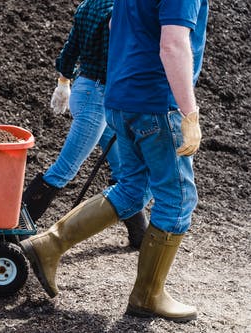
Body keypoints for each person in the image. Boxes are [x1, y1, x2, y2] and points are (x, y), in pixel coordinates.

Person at [20, 0, 208, 322]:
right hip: (156, 103)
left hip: (120, 99)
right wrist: (189, 113)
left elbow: (113, 28)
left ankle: (49, 244)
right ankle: (148, 296)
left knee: (132, 188)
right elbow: (173, 44)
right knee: (177, 200)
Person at [22, 0, 147, 249]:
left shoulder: (88, 5)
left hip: (84, 89)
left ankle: (140, 235)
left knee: (123, 167)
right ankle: (13, 227)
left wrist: (63, 82)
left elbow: (70, 49)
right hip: (99, 97)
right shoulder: (120, 11)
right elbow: (122, 56)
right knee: (65, 169)